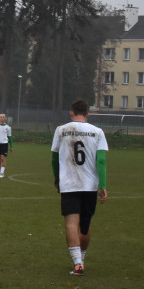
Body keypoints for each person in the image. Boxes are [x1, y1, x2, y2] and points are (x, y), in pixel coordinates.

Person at [51, 98, 108, 276]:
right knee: (85, 224)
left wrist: (56, 177)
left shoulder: (61, 130)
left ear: (71, 112)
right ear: (88, 114)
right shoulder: (97, 132)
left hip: (69, 183)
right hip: (90, 185)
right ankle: (81, 259)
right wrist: (103, 185)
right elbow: (101, 160)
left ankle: (77, 264)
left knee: (71, 223)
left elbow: (54, 157)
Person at [0, 113, 13, 177]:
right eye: (1, 117)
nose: (2, 118)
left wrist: (11, 146)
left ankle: (1, 173)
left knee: (2, 158)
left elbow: (9, 137)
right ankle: (0, 168)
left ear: (5, 118)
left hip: (5, 144)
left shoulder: (8, 127)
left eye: (3, 117)